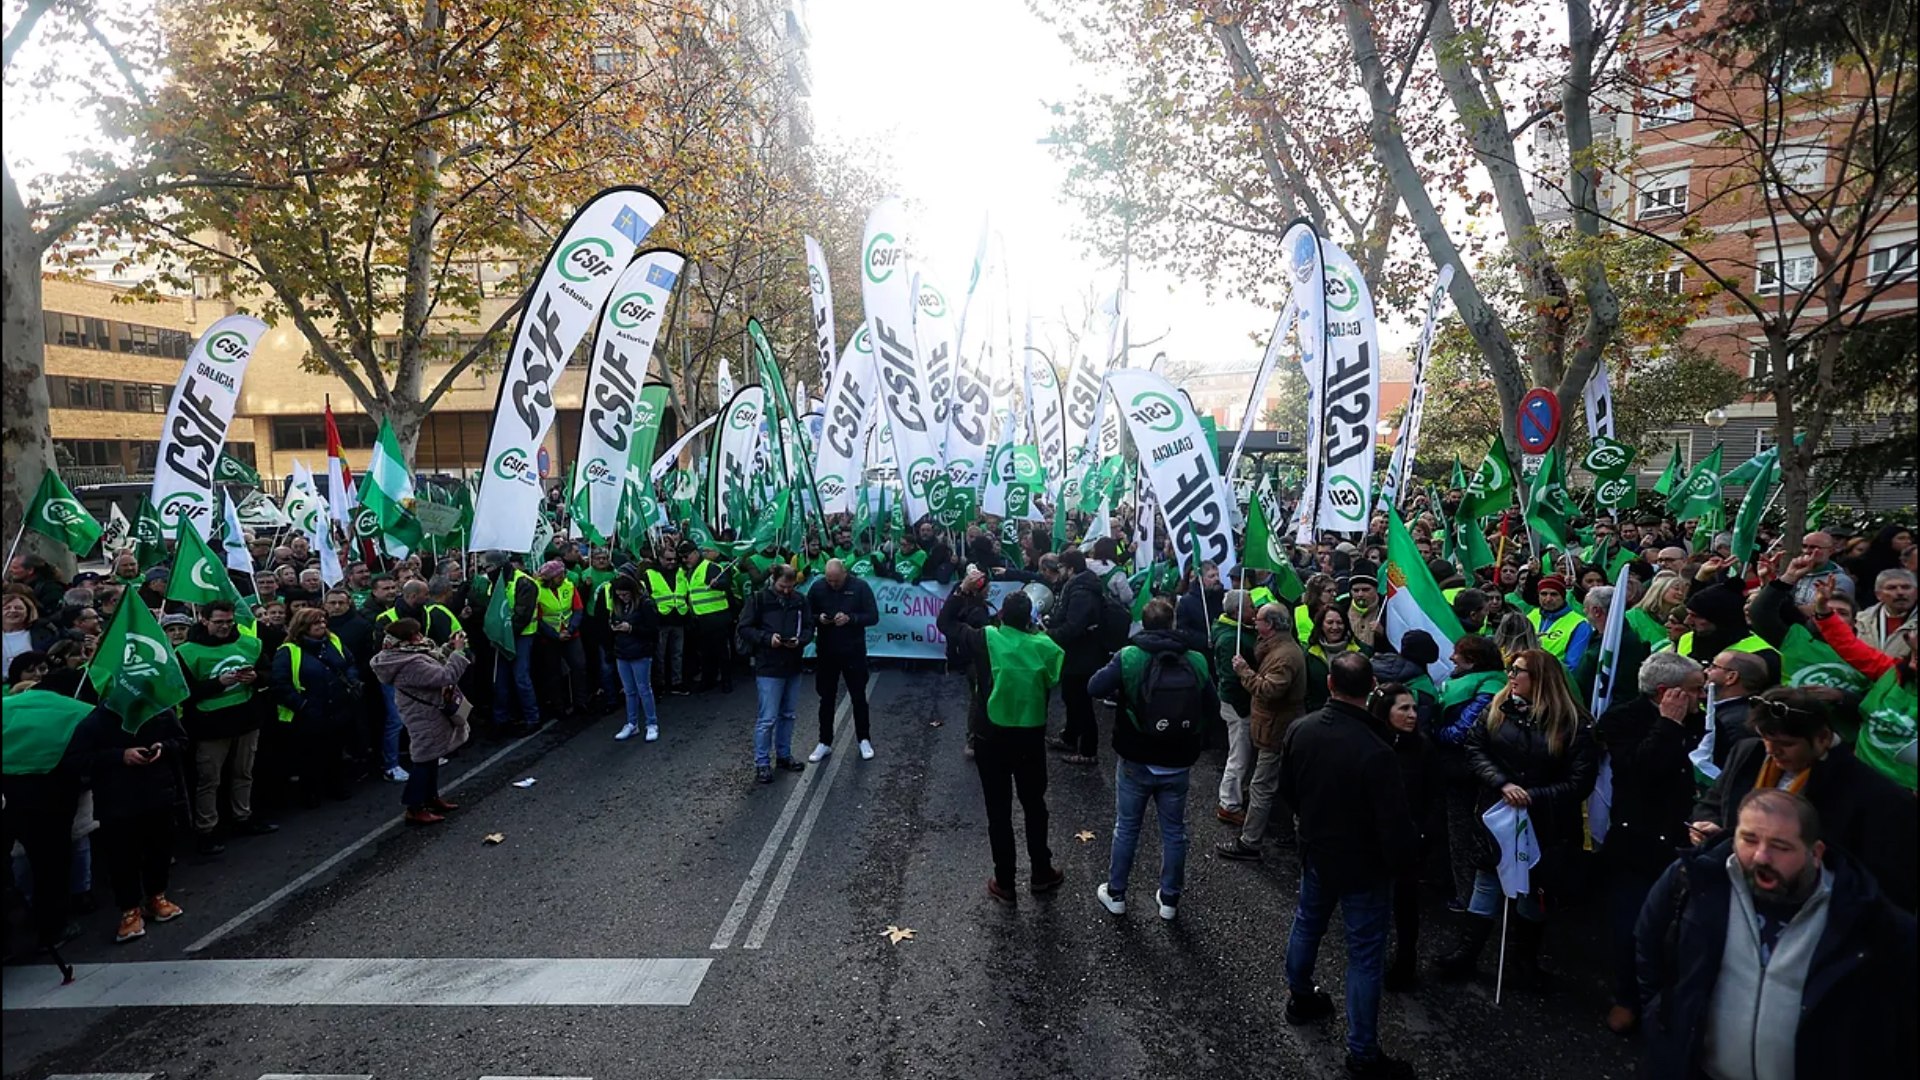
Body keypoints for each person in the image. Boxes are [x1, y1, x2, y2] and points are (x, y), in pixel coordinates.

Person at [1637, 790, 1917, 1080]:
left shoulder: (1864, 918)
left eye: (1780, 846)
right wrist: (1659, 1018)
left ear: (1816, 853)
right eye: (1749, 839)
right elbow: (1649, 940)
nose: (1761, 857)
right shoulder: (1695, 881)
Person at [1278, 653, 1420, 1080]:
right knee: (1363, 955)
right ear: (1373, 686)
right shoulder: (1376, 750)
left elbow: (1289, 792)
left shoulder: (1300, 730)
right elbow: (1393, 823)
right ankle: (1362, 1052)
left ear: (1330, 686)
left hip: (1318, 852)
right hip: (1364, 867)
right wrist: (1402, 864)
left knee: (1308, 923)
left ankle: (1301, 995)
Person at [1438, 647, 1598, 984]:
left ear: (1539, 680)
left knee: (1534, 892)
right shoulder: (1499, 709)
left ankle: (1522, 962)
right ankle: (1466, 955)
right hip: (1498, 814)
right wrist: (1501, 783)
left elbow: (1580, 781)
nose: (1510, 676)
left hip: (1545, 824)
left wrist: (1532, 797)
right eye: (1511, 670)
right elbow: (1475, 747)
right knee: (1487, 882)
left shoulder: (1573, 724)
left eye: (1518, 671)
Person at [1689, 686, 1916, 909]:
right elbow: (1713, 803)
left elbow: (1885, 885)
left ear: (1823, 738)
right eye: (1766, 738)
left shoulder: (1873, 795)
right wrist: (1710, 826)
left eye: (1786, 744)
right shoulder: (1748, 753)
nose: (1771, 750)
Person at [1591, 650, 1705, 1034]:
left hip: (1687, 835)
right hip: (1638, 838)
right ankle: (1627, 996)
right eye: (1693, 690)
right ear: (1666, 693)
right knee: (1632, 924)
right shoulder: (1622, 719)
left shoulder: (1702, 720)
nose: (1701, 697)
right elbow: (1640, 768)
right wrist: (1668, 726)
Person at [1087, 598, 1219, 921]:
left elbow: (1094, 686)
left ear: (1143, 624)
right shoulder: (1197, 660)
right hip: (1178, 760)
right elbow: (1212, 707)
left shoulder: (1130, 656)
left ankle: (1117, 893)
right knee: (1174, 831)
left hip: (1137, 758)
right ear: (1173, 624)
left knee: (1127, 828)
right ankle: (1170, 899)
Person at [947, 590, 1066, 903]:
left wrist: (961, 592)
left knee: (998, 812)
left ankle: (1005, 882)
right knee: (1034, 805)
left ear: (1000, 615)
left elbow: (945, 623)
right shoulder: (1045, 645)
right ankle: (1041, 872)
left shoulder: (986, 638)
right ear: (1029, 618)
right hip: (1029, 735)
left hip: (991, 736)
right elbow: (1053, 678)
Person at [67, 701, 189, 944]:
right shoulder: (95, 720)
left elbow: (182, 741)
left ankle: (157, 896)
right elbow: (76, 759)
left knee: (160, 849)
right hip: (116, 801)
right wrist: (120, 756)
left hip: (158, 792)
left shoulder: (160, 712)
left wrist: (162, 748)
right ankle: (129, 909)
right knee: (122, 857)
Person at [176, 601, 273, 855]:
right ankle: (206, 829)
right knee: (209, 780)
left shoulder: (248, 643)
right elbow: (183, 693)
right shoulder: (186, 652)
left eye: (229, 621)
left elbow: (268, 671)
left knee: (244, 772)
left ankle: (243, 817)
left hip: (247, 719)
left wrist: (257, 678)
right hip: (210, 727)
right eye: (219, 622)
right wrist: (217, 683)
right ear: (204, 621)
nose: (225, 626)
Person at [1216, 602, 1307, 861]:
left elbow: (1269, 690)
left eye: (1258, 620)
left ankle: (1250, 842)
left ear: (1270, 625)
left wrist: (1244, 672)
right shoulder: (1276, 646)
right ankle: (1289, 831)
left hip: (1276, 729)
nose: (1254, 623)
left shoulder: (1285, 656)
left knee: (1261, 786)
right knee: (1280, 782)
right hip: (1271, 725)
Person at [370, 618, 471, 825]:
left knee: (432, 757)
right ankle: (414, 807)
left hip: (429, 711)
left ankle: (431, 798)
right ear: (403, 640)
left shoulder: (408, 653)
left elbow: (433, 660)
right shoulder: (408, 662)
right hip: (423, 714)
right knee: (423, 760)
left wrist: (448, 647)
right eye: (415, 635)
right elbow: (445, 676)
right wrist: (459, 653)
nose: (420, 637)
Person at [1374, 681, 1435, 992]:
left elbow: (1432, 796)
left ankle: (1406, 959)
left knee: (1406, 904)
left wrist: (1423, 833)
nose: (1413, 714)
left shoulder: (1423, 747)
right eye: (1404, 709)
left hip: (1409, 841)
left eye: (1414, 708)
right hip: (1374, 840)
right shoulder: (1373, 744)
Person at [268, 607, 360, 804]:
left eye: (322, 622)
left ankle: (336, 786)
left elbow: (349, 663)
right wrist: (302, 705)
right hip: (309, 713)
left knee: (335, 751)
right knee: (310, 756)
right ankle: (311, 793)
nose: (321, 626)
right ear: (302, 627)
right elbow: (280, 683)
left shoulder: (333, 641)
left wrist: (352, 682)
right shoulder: (288, 651)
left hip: (337, 708)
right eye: (315, 623)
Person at [737, 563, 812, 784]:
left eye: (790, 587)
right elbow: (744, 627)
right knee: (767, 718)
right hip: (768, 666)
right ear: (773, 580)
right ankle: (762, 762)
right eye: (782, 586)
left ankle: (783, 755)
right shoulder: (759, 600)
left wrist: (801, 640)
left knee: (788, 714)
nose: (787, 591)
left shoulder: (800, 600)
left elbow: (809, 626)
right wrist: (767, 639)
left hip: (792, 664)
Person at [806, 559, 879, 762]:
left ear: (845, 573)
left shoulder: (860, 587)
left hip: (853, 650)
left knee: (858, 696)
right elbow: (806, 614)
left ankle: (864, 739)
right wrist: (819, 618)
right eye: (829, 580)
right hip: (827, 651)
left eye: (836, 581)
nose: (833, 584)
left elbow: (873, 616)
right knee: (826, 697)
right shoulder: (818, 587)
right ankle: (824, 742)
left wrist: (851, 618)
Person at [1044, 548, 1109, 765]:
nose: (1058, 570)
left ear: (1070, 569)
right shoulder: (1076, 586)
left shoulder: (1082, 591)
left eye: (1061, 566)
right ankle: (1070, 737)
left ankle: (1088, 751)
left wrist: (1048, 635)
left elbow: (1073, 627)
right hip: (1077, 655)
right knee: (1070, 697)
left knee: (1080, 702)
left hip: (1083, 656)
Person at [1210, 589, 1259, 826]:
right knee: (1238, 756)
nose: (1255, 609)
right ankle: (1229, 804)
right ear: (1238, 612)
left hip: (1236, 703)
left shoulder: (1236, 632)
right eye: (1251, 606)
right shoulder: (1231, 639)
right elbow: (1231, 678)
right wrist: (1244, 708)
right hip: (1238, 706)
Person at [606, 576, 661, 743]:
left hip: (640, 651)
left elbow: (653, 630)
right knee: (629, 690)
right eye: (620, 595)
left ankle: (651, 723)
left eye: (625, 594)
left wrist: (631, 628)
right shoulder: (618, 606)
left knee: (644, 689)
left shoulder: (645, 604)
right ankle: (632, 723)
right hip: (622, 651)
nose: (623, 598)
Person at [1701, 649, 1771, 770]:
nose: (1706, 671)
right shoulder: (1739, 713)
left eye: (1713, 667)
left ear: (1731, 677)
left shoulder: (1739, 722)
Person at [683, 543, 734, 693]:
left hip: (716, 616)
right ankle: (708, 680)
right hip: (700, 617)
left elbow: (726, 582)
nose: (685, 560)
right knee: (706, 653)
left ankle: (726, 681)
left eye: (687, 556)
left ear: (695, 553)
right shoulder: (689, 571)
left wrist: (717, 584)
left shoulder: (710, 567)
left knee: (721, 652)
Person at [1302, 606, 1363, 712]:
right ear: (1321, 625)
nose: (1335, 627)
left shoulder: (1362, 652)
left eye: (1339, 622)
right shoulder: (1309, 655)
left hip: (1353, 714)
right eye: (1330, 622)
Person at [1528, 575, 1591, 672]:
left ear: (1563, 596)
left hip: (1554, 680)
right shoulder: (1531, 615)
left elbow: (1572, 666)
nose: (1548, 599)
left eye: (1554, 594)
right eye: (1543, 594)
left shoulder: (1580, 624)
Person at [1856, 567, 1916, 663]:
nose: (1900, 592)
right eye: (1892, 588)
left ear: (1916, 592)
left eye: (1906, 587)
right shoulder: (1862, 620)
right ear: (1878, 595)